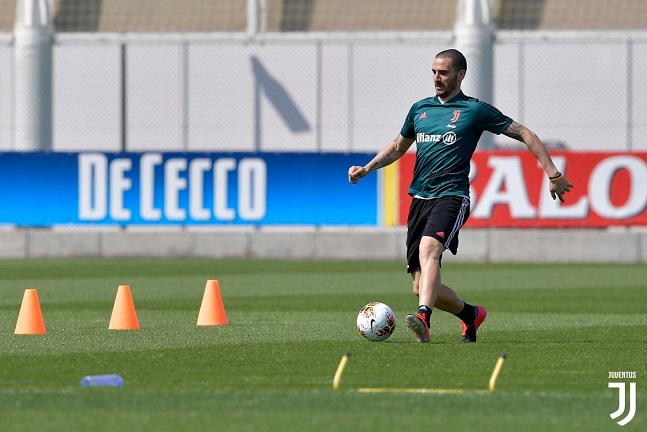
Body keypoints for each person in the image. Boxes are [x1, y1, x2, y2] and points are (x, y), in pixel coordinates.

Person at [348, 49, 573, 343]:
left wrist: (553, 174)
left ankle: (424, 319)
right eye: (433, 72)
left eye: (443, 72)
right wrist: (367, 168)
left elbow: (525, 134)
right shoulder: (420, 110)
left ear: (460, 75)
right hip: (420, 199)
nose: (437, 78)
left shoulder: (474, 110)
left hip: (452, 196)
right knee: (420, 285)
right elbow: (397, 147)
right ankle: (471, 315)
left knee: (429, 251)